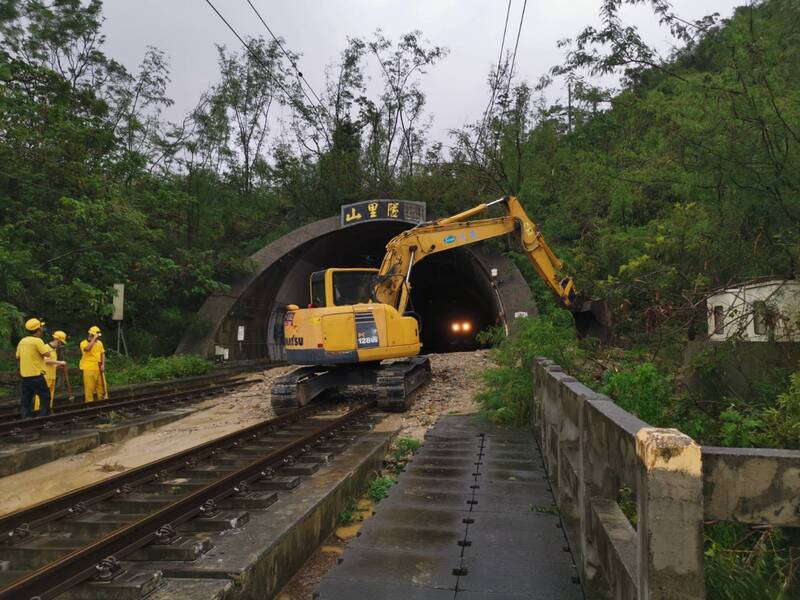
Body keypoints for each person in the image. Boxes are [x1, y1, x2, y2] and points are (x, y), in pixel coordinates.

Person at [15, 318, 57, 418]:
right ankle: (42, 417)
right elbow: (46, 354)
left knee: (26, 399)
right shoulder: (37, 341)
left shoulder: (22, 341)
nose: (43, 329)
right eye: (41, 327)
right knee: (45, 395)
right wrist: (51, 348)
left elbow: (17, 356)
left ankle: (26, 418)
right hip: (36, 375)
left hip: (24, 375)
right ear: (38, 330)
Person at [34, 330, 69, 413]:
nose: (61, 345)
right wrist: (59, 362)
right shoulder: (45, 347)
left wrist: (58, 366)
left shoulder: (54, 350)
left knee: (50, 396)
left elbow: (51, 363)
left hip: (52, 376)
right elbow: (45, 361)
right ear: (58, 340)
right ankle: (37, 411)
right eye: (61, 343)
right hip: (45, 377)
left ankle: (47, 411)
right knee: (41, 396)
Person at [79, 326, 106, 403]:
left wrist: (103, 364)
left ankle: (102, 402)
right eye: (96, 336)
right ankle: (89, 404)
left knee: (102, 387)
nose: (98, 338)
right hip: (88, 368)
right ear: (91, 335)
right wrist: (94, 339)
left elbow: (102, 354)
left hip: (98, 367)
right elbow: (87, 349)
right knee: (89, 388)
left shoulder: (100, 343)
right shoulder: (83, 343)